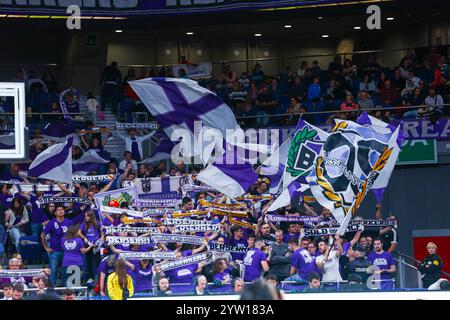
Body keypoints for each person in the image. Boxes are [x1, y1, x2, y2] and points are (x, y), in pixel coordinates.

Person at [41, 205, 72, 286]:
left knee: (65, 269)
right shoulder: (51, 223)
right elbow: (42, 235)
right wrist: (46, 247)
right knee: (53, 269)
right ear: (55, 213)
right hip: (55, 250)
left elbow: (75, 235)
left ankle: (66, 287)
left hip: (66, 250)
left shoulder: (69, 222)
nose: (60, 211)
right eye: (58, 209)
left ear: (64, 212)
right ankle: (52, 288)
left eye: (62, 209)